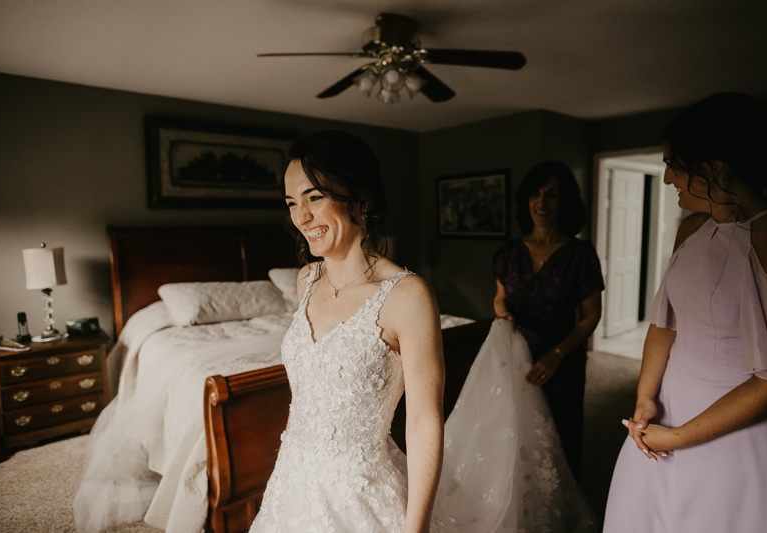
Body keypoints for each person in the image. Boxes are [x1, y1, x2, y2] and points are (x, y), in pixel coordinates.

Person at [250, 131, 596, 533]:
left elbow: (423, 423)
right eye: (292, 203)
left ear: (360, 200)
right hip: (292, 480)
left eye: (313, 197)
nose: (301, 217)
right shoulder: (305, 279)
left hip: (360, 494)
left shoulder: (406, 295)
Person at [603, 93, 767, 532]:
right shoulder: (692, 227)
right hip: (667, 406)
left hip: (731, 425)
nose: (666, 178)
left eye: (674, 165)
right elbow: (665, 325)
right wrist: (646, 397)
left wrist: (680, 438)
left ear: (715, 165)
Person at [493, 161, 604, 479]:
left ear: (564, 201)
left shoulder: (581, 254)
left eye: (551, 195)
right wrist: (505, 317)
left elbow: (591, 315)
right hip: (516, 356)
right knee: (518, 431)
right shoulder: (509, 252)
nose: (541, 203)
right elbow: (500, 298)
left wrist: (557, 355)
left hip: (562, 358)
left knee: (562, 434)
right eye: (535, 194)